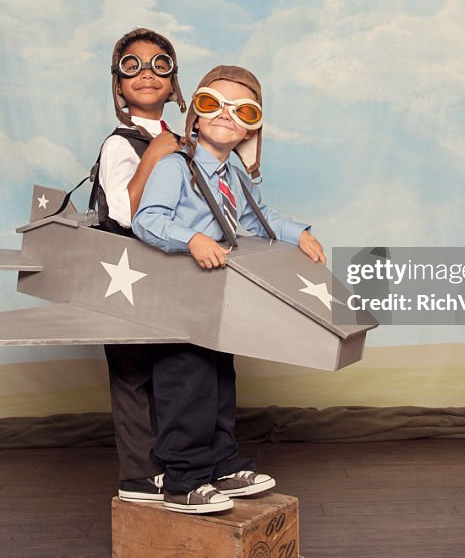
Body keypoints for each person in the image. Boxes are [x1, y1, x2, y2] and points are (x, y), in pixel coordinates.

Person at [132, 65, 325, 513]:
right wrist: (192, 238)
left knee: (219, 382)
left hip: (217, 298)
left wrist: (299, 233)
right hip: (179, 296)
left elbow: (260, 217)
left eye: (241, 111)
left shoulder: (233, 173)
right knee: (186, 385)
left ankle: (219, 463)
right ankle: (183, 478)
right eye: (211, 104)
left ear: (249, 131)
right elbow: (148, 219)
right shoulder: (174, 167)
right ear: (194, 117)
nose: (224, 115)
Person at [89, 27, 185, 504]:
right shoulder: (119, 145)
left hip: (170, 275)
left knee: (173, 369)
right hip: (126, 273)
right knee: (132, 374)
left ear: (173, 83)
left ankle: (175, 464)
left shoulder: (182, 140)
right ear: (119, 85)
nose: (146, 74)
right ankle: (139, 476)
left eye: (158, 65)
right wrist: (158, 157)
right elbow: (123, 212)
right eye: (133, 66)